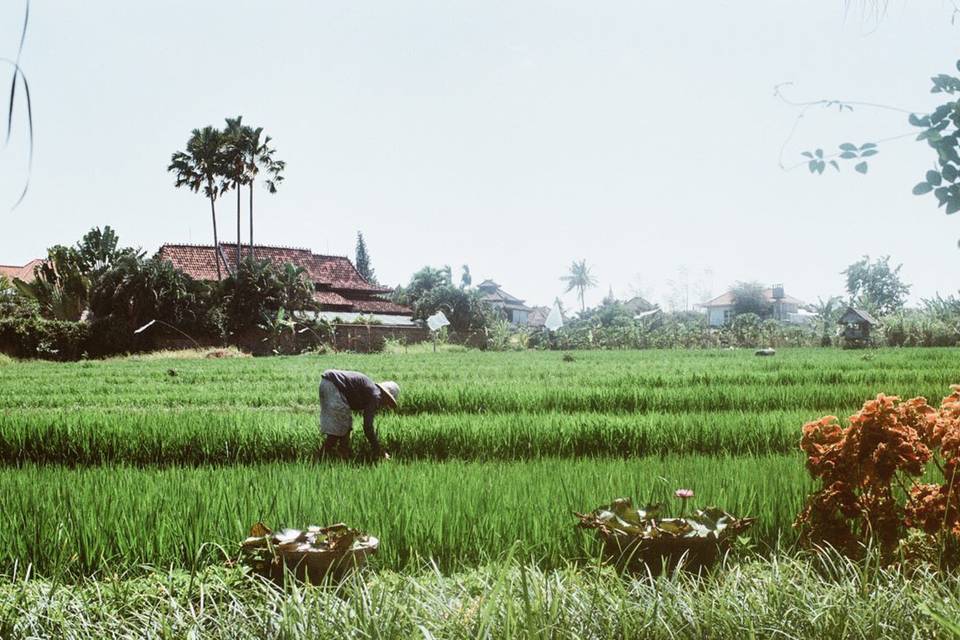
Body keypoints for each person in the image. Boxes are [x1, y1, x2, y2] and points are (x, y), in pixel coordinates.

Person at [319, 369, 399, 460]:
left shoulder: (371, 390)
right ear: (386, 396)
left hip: (327, 383)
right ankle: (320, 459)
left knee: (344, 428)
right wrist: (378, 450)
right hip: (334, 386)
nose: (386, 406)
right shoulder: (376, 395)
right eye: (388, 402)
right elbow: (368, 427)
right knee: (337, 431)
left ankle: (342, 457)